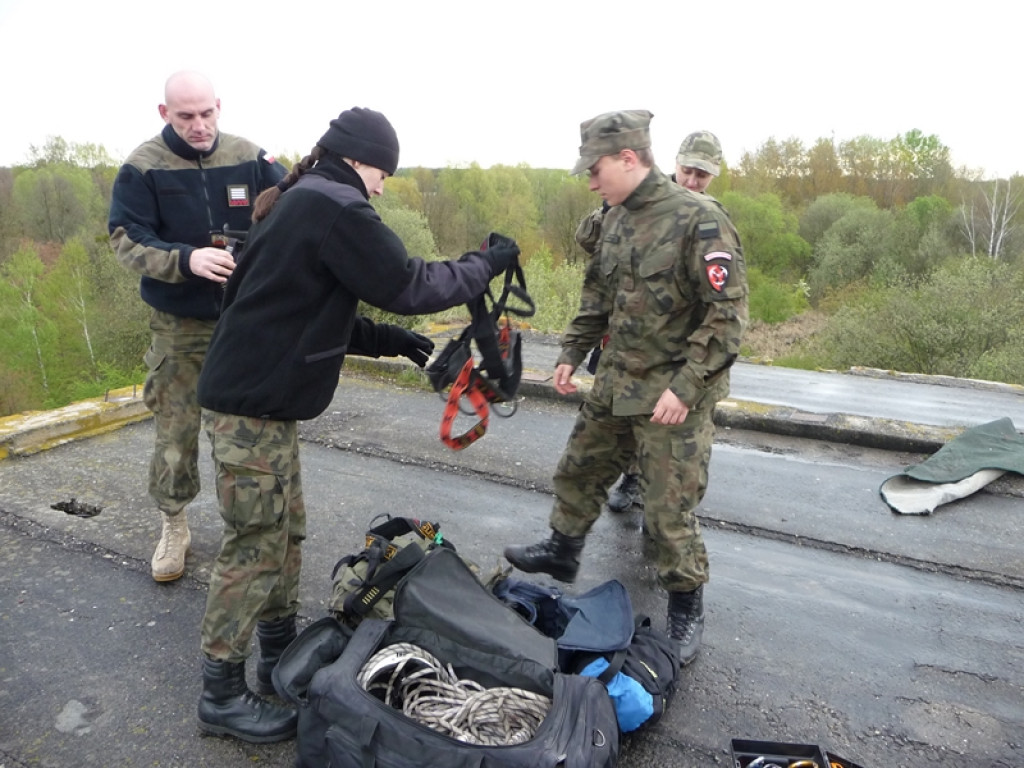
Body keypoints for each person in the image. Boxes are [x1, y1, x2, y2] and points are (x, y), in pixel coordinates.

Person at [192, 107, 521, 743]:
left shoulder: (303, 200)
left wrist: (391, 341)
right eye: (383, 177)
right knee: (254, 547)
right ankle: (221, 695)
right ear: (367, 163)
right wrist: (482, 265)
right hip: (249, 410)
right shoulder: (336, 204)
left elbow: (302, 308)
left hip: (262, 404)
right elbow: (409, 282)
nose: (381, 189)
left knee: (283, 537)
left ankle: (279, 655)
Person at [504, 111, 747, 667]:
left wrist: (686, 388)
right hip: (617, 377)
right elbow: (597, 299)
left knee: (667, 511)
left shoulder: (699, 220)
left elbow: (727, 319)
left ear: (629, 159)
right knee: (580, 467)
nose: (591, 182)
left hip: (672, 394)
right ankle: (563, 551)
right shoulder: (613, 219)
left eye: (596, 170)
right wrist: (570, 352)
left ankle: (687, 605)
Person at [108, 71, 287, 583]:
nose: (199, 125)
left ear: (219, 107)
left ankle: (251, 529)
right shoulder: (144, 168)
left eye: (207, 113)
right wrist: (186, 260)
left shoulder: (249, 155)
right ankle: (174, 524)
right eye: (186, 116)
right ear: (165, 114)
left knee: (251, 429)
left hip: (243, 321)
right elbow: (125, 239)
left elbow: (297, 200)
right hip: (179, 325)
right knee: (176, 432)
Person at [581, 129, 727, 516]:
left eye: (703, 175)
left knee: (683, 445)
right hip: (634, 345)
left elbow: (723, 305)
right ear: (674, 165)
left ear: (714, 176)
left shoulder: (709, 219)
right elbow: (589, 242)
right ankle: (633, 480)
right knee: (626, 418)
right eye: (688, 171)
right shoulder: (640, 206)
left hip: (688, 353)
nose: (693, 181)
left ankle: (671, 517)